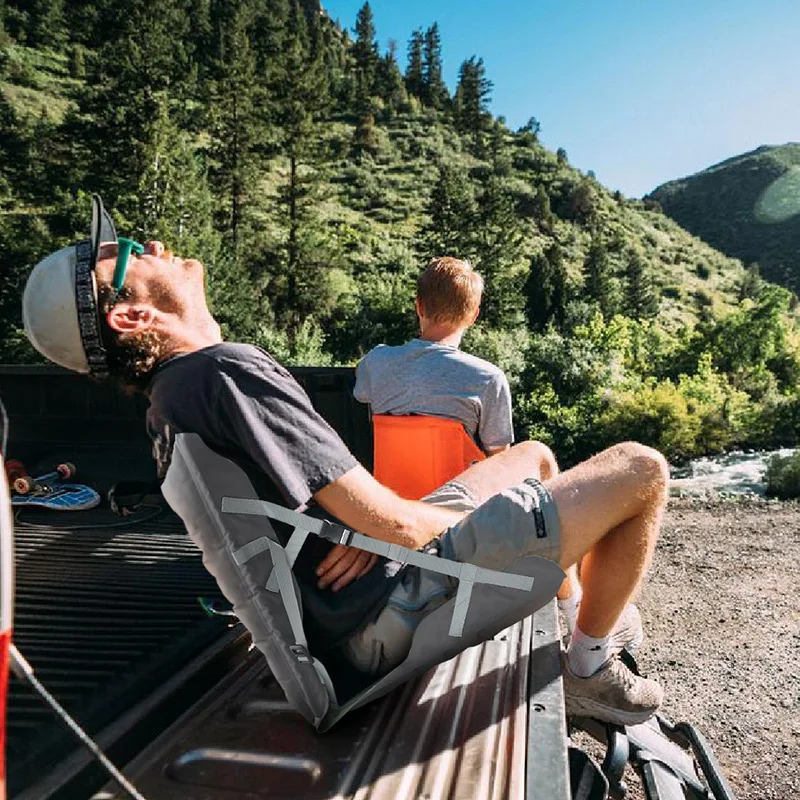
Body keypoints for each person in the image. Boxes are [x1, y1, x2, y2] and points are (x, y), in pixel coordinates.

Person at [21, 196, 667, 724]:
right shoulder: (222, 375)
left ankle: (575, 610)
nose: (153, 245)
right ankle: (587, 666)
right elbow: (407, 530)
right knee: (641, 469)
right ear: (132, 315)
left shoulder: (177, 396)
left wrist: (368, 526)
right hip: (387, 608)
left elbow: (355, 515)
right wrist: (380, 529)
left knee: (535, 455)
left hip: (365, 584)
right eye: (133, 254)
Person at [355, 256, 643, 653]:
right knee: (536, 465)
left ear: (418, 305)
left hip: (393, 511)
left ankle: (572, 603)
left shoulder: (374, 363)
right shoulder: (487, 379)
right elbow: (500, 463)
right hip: (457, 526)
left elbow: (364, 400)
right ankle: (572, 605)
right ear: (473, 315)